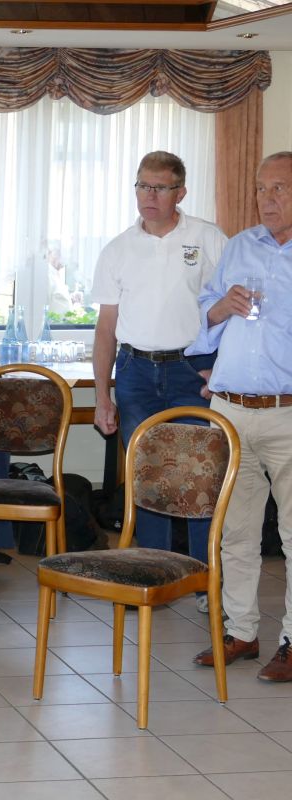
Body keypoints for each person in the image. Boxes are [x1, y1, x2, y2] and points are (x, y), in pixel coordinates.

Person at [89, 151, 227, 610]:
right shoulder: (118, 248)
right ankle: (153, 578)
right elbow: (106, 329)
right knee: (146, 475)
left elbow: (232, 310)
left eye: (160, 187)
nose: (149, 196)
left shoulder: (208, 238)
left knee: (200, 477)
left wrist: (220, 370)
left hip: (192, 371)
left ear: (180, 192)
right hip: (135, 372)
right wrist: (103, 395)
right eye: (142, 186)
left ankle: (206, 583)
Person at [189, 151, 292, 681]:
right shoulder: (239, 245)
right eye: (260, 189)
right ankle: (241, 633)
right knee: (235, 532)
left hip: (287, 414)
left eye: (279, 188)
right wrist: (220, 307)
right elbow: (203, 315)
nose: (266, 199)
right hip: (230, 410)